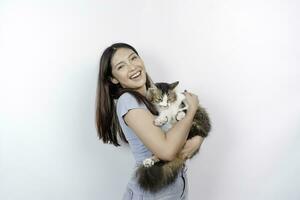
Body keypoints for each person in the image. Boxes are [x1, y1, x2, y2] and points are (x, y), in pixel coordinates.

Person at [95, 42, 205, 199]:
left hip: (174, 188)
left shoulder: (156, 96)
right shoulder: (128, 100)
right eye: (121, 66)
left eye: (133, 58)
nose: (132, 67)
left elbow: (180, 131)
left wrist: (198, 138)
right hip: (152, 192)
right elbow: (167, 151)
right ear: (113, 78)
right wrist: (191, 111)